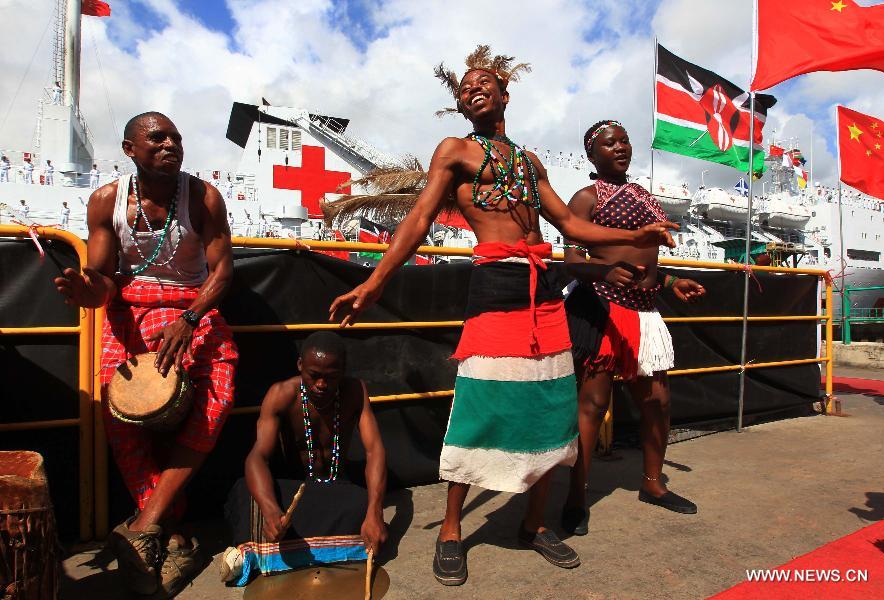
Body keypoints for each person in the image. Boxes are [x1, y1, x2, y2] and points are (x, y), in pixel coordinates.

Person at [328, 46, 677, 586]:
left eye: (482, 83)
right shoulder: (455, 152)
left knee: (550, 406)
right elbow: (420, 219)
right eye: (464, 89)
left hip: (545, 296)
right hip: (495, 289)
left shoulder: (530, 162)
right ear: (462, 108)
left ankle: (534, 525)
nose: (473, 90)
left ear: (505, 95)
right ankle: (450, 530)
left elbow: (570, 225)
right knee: (481, 404)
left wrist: (635, 235)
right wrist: (373, 284)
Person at [53, 111, 238, 597]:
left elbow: (222, 272)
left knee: (217, 397)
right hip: (128, 312)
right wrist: (82, 288)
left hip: (191, 310)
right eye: (156, 139)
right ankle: (171, 532)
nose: (169, 145)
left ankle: (144, 524)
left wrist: (191, 319)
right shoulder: (106, 202)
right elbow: (101, 283)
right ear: (130, 149)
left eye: (176, 138)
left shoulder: (203, 198)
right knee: (121, 418)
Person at [561, 120, 706, 537]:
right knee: (591, 406)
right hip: (602, 309)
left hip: (645, 311)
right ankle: (575, 495)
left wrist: (671, 282)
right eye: (609, 143)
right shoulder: (585, 198)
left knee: (658, 402)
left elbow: (648, 262)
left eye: (624, 140)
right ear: (592, 155)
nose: (620, 147)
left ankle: (653, 484)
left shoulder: (645, 197)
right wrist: (604, 269)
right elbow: (570, 260)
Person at [221, 332, 388, 585]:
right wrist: (270, 510)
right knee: (245, 492)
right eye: (314, 375)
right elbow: (257, 457)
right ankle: (322, 548)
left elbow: (374, 450)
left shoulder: (355, 391)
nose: (321, 384)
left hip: (333, 489)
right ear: (300, 366)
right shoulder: (281, 394)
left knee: (364, 503)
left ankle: (271, 552)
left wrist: (374, 512)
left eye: (331, 377)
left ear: (343, 371)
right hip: (292, 496)